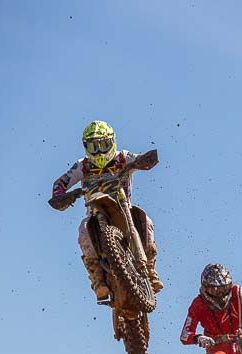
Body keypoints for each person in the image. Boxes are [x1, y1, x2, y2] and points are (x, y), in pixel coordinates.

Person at [51, 121, 163, 302]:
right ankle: (97, 279)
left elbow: (140, 159)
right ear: (86, 147)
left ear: (112, 142)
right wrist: (62, 195)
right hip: (95, 212)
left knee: (146, 221)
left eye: (103, 145)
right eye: (93, 147)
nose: (99, 151)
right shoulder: (83, 166)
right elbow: (60, 183)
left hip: (123, 205)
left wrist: (143, 160)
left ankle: (150, 269)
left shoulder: (122, 157)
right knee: (83, 230)